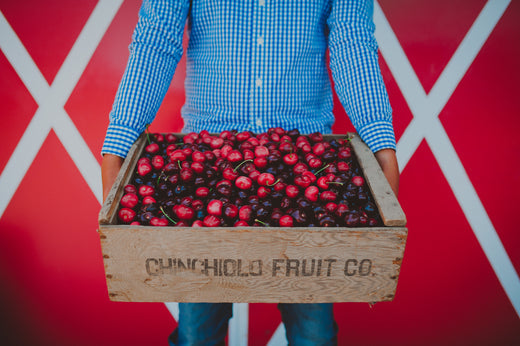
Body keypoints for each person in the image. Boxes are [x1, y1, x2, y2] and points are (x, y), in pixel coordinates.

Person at [101, 0, 399, 345]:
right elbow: (156, 38)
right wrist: (119, 139)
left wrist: (380, 140)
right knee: (197, 335)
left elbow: (352, 42)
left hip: (302, 159)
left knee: (313, 335)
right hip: (207, 159)